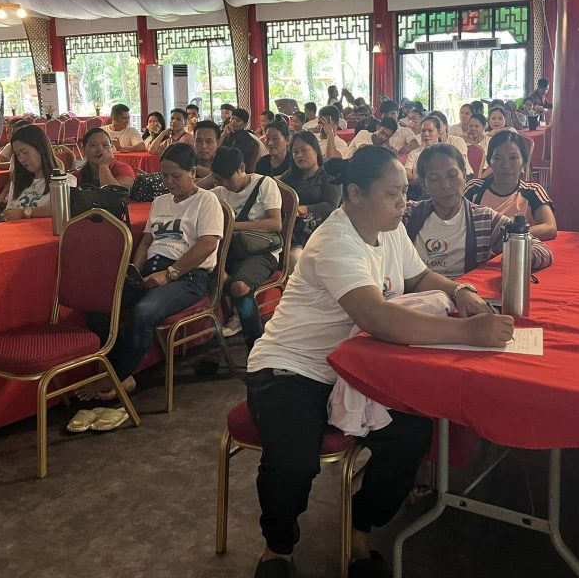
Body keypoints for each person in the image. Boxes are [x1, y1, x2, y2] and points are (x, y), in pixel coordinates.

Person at [245, 145, 514, 578]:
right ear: (355, 193)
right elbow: (378, 317)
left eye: (404, 192)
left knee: (412, 435)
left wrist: (461, 291)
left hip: (356, 366)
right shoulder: (336, 242)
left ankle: (359, 532)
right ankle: (277, 551)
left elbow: (418, 275)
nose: (403, 202)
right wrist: (469, 332)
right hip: (293, 368)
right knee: (293, 459)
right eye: (392, 194)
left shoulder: (388, 229)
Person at [78, 143, 224, 403]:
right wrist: (134, 269)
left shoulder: (206, 200)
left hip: (187, 276)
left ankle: (115, 377)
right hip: (151, 270)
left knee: (144, 312)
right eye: (164, 175)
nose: (169, 182)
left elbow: (208, 244)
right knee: (99, 305)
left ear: (193, 172)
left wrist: (170, 273)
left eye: (175, 176)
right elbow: (146, 241)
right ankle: (122, 372)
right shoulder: (160, 202)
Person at [404, 144, 552, 278]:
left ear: (464, 176)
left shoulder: (483, 219)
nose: (445, 185)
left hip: (464, 295)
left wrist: (518, 257)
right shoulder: (408, 214)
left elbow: (541, 249)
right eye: (434, 178)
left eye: (452, 175)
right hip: (412, 296)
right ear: (424, 184)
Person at [211, 147, 283, 350]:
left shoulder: (264, 184)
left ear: (242, 168)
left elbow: (275, 224)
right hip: (233, 251)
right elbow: (191, 192)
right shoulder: (219, 191)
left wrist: (233, 226)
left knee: (240, 287)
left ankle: (255, 345)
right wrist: (211, 178)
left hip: (262, 251)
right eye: (220, 179)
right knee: (205, 270)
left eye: (228, 178)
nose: (225, 184)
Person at [464, 130, 557, 240]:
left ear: (524, 161)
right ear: (489, 162)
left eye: (513, 158)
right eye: (497, 158)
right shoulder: (474, 188)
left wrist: (510, 235)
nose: (505, 165)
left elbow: (550, 227)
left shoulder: (532, 191)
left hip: (518, 249)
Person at [279, 131, 340, 266]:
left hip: (324, 234)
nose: (299, 155)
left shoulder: (329, 175)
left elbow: (332, 205)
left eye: (304, 150)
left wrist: (305, 209)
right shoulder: (289, 177)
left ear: (316, 150)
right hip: (294, 236)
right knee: (294, 258)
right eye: (295, 152)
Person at [0, 124, 77, 221]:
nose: (21, 159)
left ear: (40, 149)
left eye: (25, 152)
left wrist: (25, 213)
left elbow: (61, 208)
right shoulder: (18, 181)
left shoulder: (65, 181)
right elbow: (9, 211)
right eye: (17, 154)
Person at [404, 115, 443, 193]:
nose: (426, 134)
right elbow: (408, 177)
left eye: (430, 130)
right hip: (416, 191)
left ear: (438, 133)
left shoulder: (445, 152)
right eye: (423, 131)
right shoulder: (414, 153)